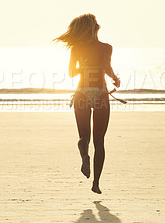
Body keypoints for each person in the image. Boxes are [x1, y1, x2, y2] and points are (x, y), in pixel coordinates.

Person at [54, 14, 120, 194]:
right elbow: (107, 68)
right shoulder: (106, 48)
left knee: (84, 137)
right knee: (99, 142)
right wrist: (115, 79)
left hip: (82, 94)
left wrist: (83, 68)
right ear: (96, 28)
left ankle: (84, 157)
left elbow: (71, 73)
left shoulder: (76, 49)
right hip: (100, 95)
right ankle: (96, 183)